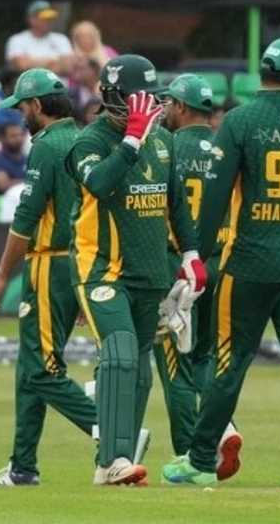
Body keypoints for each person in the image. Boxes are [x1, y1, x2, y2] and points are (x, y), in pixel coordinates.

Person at [164, 37, 280, 489]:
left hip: (250, 261)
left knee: (229, 361)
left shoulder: (239, 121)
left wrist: (195, 255)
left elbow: (215, 197)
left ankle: (200, 461)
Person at [69, 54, 205, 486]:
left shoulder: (163, 140)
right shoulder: (89, 142)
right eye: (137, 98)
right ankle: (114, 459)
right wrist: (130, 139)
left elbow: (176, 202)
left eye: (152, 97)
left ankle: (113, 461)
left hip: (150, 274)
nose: (148, 106)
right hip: (101, 270)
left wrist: (191, 255)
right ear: (111, 97)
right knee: (121, 352)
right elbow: (98, 184)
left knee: (141, 371)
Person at [0, 69, 98, 487]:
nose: (21, 117)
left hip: (51, 265)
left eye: (22, 108)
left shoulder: (47, 146)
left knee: (41, 370)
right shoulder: (83, 139)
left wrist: (1, 275)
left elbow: (26, 218)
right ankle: (23, 466)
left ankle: (114, 431)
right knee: (29, 367)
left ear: (36, 105)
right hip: (79, 262)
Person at [153, 74, 244, 478]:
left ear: (180, 106)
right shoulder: (226, 149)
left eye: (168, 103)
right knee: (206, 357)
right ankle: (224, 428)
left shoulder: (166, 147)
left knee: (175, 363)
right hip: (221, 264)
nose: (164, 110)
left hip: (178, 265)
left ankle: (190, 453)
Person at [5, 0, 73, 75]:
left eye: (50, 18)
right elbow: (22, 65)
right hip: (29, 82)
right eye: (44, 18)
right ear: (32, 19)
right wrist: (53, 61)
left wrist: (32, 61)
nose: (48, 21)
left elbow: (68, 66)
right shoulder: (17, 40)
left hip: (58, 82)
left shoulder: (61, 39)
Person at [0, 120, 28, 193]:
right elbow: (3, 186)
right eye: (13, 136)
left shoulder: (28, 158)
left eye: (21, 135)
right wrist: (31, 182)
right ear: (2, 138)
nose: (18, 139)